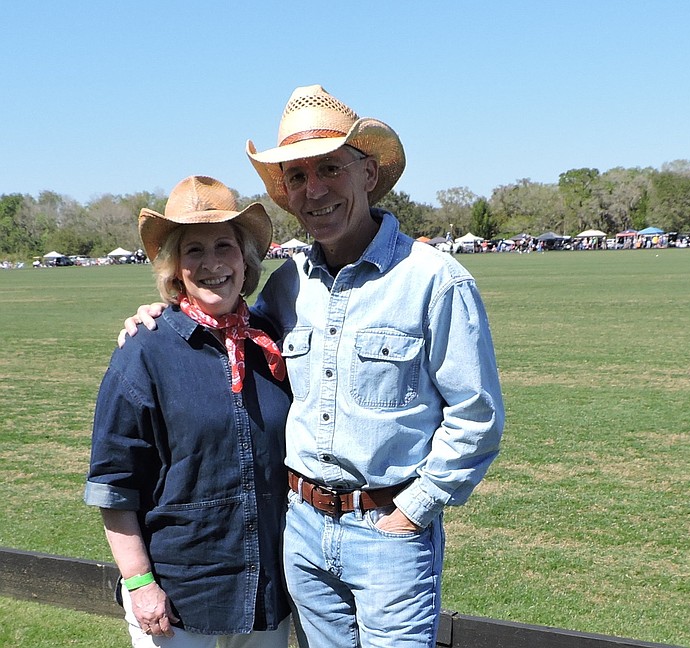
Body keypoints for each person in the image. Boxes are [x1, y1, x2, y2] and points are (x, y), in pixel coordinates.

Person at [125, 85, 505, 648]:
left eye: (330, 168)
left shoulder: (434, 280)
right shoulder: (288, 286)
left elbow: (476, 418)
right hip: (300, 534)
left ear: (368, 173)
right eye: (297, 177)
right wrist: (160, 313)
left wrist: (411, 512)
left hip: (388, 533)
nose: (314, 190)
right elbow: (224, 324)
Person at [87, 176, 292, 647]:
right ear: (176, 268)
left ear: (246, 261)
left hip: (268, 587)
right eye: (194, 250)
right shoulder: (145, 349)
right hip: (178, 596)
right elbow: (115, 483)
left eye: (225, 245)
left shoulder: (274, 341)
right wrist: (139, 583)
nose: (212, 263)